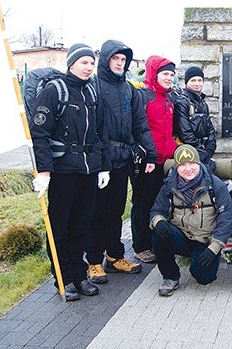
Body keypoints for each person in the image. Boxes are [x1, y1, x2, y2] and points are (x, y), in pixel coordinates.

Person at [31, 43, 109, 301]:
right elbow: (40, 133)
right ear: (71, 63)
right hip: (63, 172)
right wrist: (44, 171)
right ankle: (63, 278)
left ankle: (79, 274)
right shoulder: (54, 91)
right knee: (60, 228)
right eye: (84, 62)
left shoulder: (91, 92)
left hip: (88, 171)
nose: (89, 68)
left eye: (91, 63)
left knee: (81, 227)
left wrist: (103, 166)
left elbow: (101, 133)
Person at [85, 40, 157, 284]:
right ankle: (93, 261)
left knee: (115, 211)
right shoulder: (92, 87)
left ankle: (115, 256)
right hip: (98, 162)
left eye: (123, 60)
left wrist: (150, 153)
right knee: (96, 212)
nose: (119, 63)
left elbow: (140, 125)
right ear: (106, 59)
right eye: (115, 58)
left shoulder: (129, 90)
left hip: (122, 161)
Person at [149, 144, 232, 296]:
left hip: (205, 242)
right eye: (182, 165)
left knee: (204, 278)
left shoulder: (215, 185)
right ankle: (170, 277)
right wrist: (159, 221)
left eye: (192, 164)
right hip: (180, 236)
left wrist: (214, 248)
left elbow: (226, 218)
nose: (188, 169)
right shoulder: (169, 185)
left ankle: (202, 262)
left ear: (199, 163)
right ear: (176, 166)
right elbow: (157, 210)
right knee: (158, 235)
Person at [130, 55, 178, 263]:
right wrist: (146, 153)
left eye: (172, 75)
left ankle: (155, 242)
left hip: (164, 161)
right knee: (143, 202)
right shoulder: (143, 96)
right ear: (154, 74)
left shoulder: (169, 98)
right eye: (165, 74)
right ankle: (140, 245)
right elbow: (139, 129)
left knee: (159, 203)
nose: (169, 78)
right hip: (147, 161)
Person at [173, 66, 217, 172]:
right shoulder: (182, 102)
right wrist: (200, 150)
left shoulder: (202, 102)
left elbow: (209, 126)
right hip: (189, 151)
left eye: (200, 80)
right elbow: (185, 132)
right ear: (187, 82)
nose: (197, 83)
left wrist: (211, 145)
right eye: (193, 80)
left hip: (203, 149)